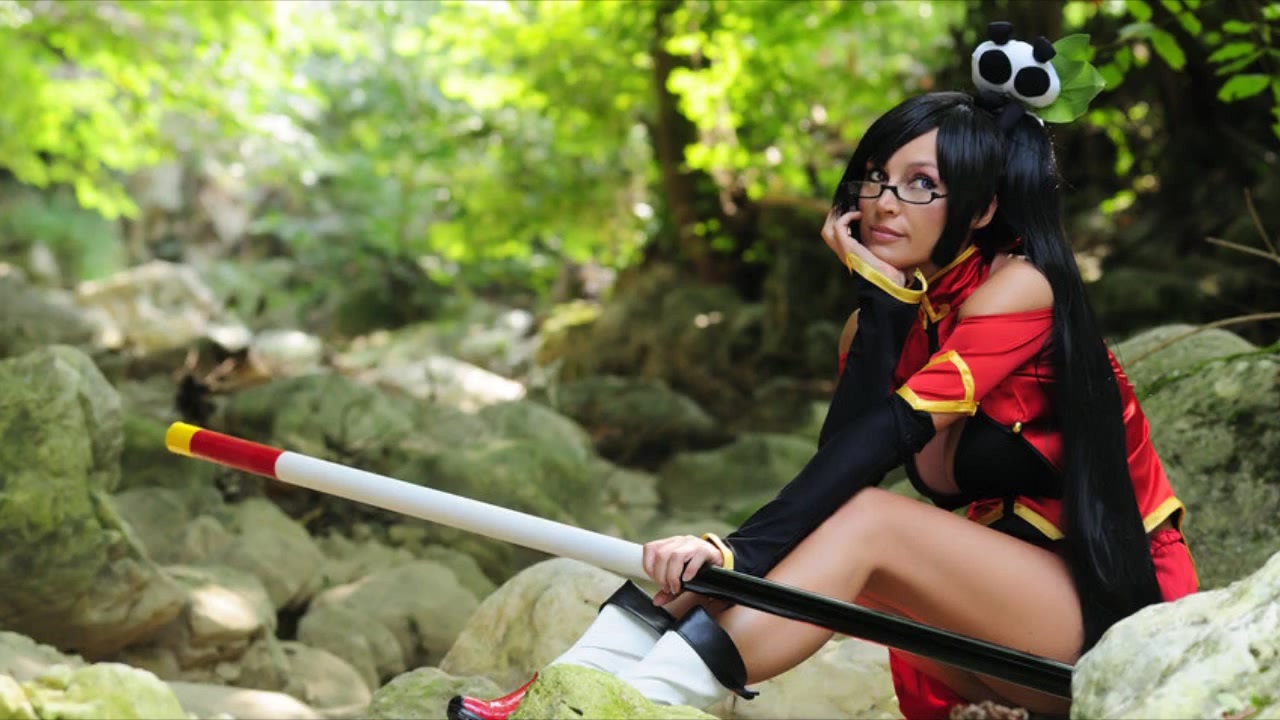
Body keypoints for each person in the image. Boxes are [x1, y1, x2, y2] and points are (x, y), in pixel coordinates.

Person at [450, 27, 1198, 720]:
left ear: (980, 211)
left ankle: (627, 706)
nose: (883, 204)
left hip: (1116, 614)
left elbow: (890, 441)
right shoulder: (897, 313)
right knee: (823, 530)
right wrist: (881, 314)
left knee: (867, 523)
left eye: (920, 185)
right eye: (874, 177)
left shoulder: (1022, 287)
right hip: (996, 626)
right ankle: (564, 692)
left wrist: (731, 549)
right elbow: (841, 469)